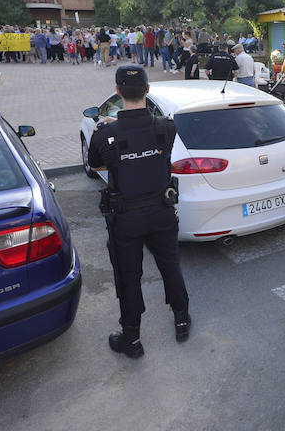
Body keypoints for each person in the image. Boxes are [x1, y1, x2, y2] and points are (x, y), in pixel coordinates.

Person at [87, 65, 190, 358]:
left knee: (128, 277)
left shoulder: (104, 133)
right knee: (171, 266)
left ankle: (132, 340)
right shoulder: (166, 127)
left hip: (125, 219)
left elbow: (97, 165)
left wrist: (111, 131)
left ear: (118, 91)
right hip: (162, 211)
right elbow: (154, 146)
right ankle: (182, 321)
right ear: (147, 90)